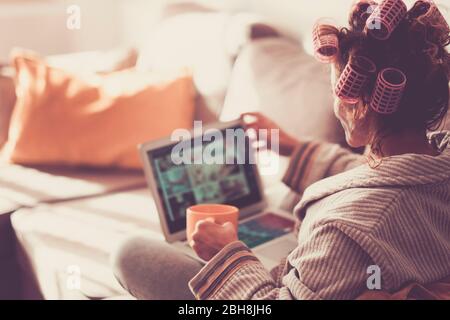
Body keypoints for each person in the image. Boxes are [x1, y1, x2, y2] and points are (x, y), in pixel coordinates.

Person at [112, 1, 450, 300]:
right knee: (289, 199)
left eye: (336, 92)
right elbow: (390, 179)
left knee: (130, 252)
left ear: (361, 106)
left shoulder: (350, 227)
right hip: (345, 264)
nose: (335, 106)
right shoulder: (440, 158)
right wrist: (295, 148)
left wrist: (227, 253)